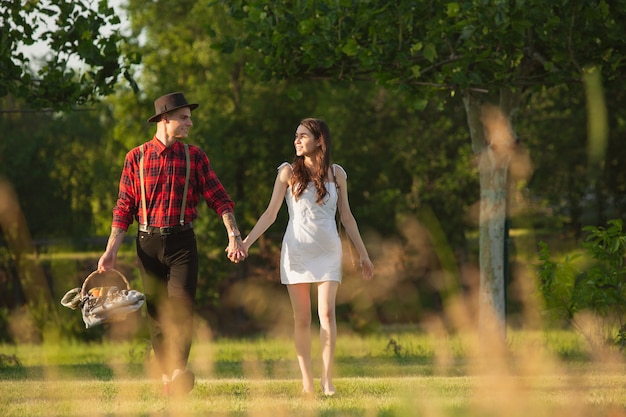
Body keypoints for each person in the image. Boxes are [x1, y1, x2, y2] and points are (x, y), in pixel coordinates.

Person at [97, 92, 247, 396]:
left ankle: (179, 370)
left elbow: (219, 198)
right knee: (156, 313)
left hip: (182, 243)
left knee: (181, 307)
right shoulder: (135, 158)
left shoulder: (195, 156)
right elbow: (124, 207)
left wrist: (233, 233)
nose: (190, 123)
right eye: (184, 117)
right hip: (147, 242)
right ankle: (167, 376)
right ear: (165, 119)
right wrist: (111, 250)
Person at [235, 118, 374, 396]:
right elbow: (271, 213)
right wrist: (246, 242)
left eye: (303, 136)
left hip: (328, 252)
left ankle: (327, 380)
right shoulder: (287, 172)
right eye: (296, 136)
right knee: (301, 319)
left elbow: (347, 217)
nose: (296, 141)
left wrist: (364, 255)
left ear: (320, 140)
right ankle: (307, 381)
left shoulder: (337, 174)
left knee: (327, 314)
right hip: (297, 253)